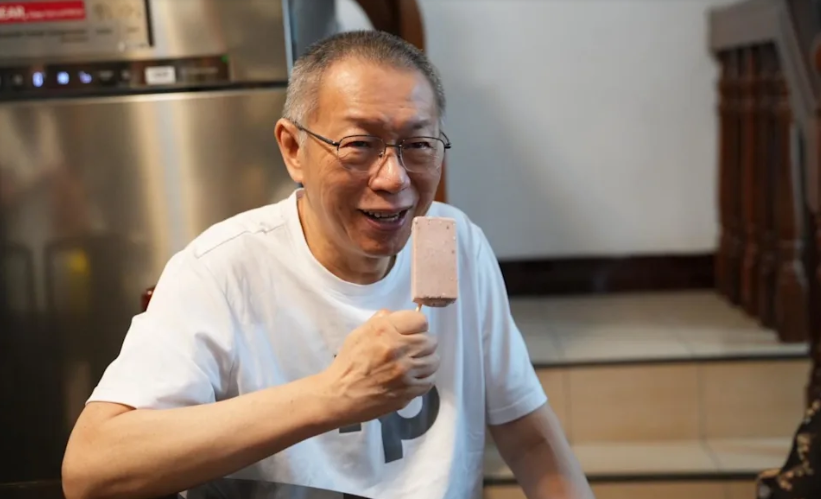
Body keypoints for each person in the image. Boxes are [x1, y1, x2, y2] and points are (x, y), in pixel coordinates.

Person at [61, 30, 594, 499]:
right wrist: (333, 394)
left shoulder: (459, 245)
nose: (394, 178)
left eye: (417, 144)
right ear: (293, 149)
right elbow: (91, 469)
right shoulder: (221, 271)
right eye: (359, 144)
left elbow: (529, 438)